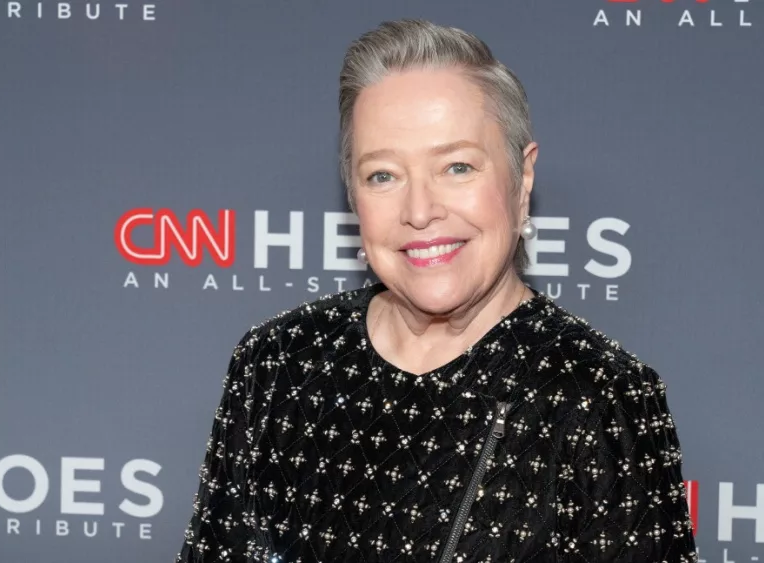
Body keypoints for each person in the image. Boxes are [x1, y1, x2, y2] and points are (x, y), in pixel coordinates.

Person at [175, 18, 697, 563]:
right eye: (383, 175)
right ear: (352, 193)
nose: (420, 211)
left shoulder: (599, 395)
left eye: (457, 166)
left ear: (522, 180)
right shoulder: (278, 363)